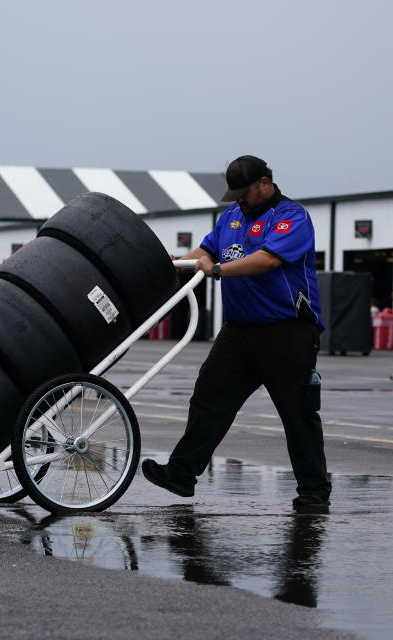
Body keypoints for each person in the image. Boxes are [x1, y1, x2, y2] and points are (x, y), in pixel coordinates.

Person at [140, 155, 331, 514]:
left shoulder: (292, 216)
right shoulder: (231, 216)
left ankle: (314, 492)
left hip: (287, 332)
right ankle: (181, 474)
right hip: (239, 332)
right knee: (208, 399)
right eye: (236, 194)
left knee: (298, 413)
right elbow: (206, 253)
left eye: (245, 192)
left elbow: (268, 259)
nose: (240, 199)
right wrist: (175, 263)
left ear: (265, 182)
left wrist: (218, 272)